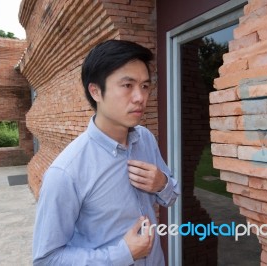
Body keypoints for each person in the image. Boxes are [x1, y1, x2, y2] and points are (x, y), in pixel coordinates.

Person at [32, 39, 180, 265]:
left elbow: (171, 197)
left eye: (145, 86)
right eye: (127, 85)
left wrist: (162, 184)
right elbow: (46, 259)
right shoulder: (67, 172)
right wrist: (124, 254)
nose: (140, 97)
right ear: (96, 92)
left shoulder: (145, 140)